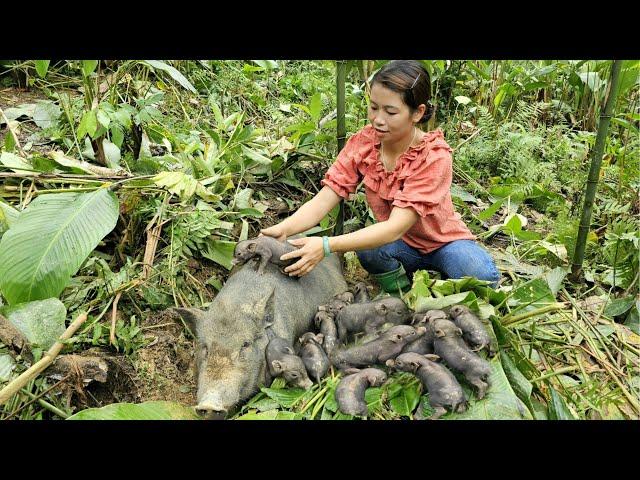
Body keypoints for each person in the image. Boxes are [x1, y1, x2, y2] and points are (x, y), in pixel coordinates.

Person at [260, 60, 500, 295]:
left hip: (444, 244)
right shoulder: (363, 144)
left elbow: (395, 227)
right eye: (374, 107)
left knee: (479, 274)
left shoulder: (433, 157)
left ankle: (441, 281)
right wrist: (284, 228)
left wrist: (326, 246)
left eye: (390, 111)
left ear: (418, 113)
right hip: (400, 246)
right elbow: (325, 199)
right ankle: (402, 293)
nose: (378, 119)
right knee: (369, 251)